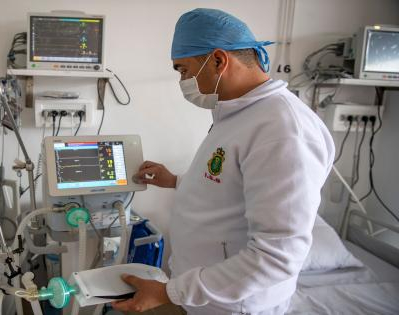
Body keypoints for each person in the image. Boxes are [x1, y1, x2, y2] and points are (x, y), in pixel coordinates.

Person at [111, 8, 335, 315]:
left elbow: (278, 254)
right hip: (203, 296)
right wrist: (175, 180)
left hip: (236, 305)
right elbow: (230, 183)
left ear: (218, 60)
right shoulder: (236, 113)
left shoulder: (282, 129)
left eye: (184, 70)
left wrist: (170, 291)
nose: (183, 81)